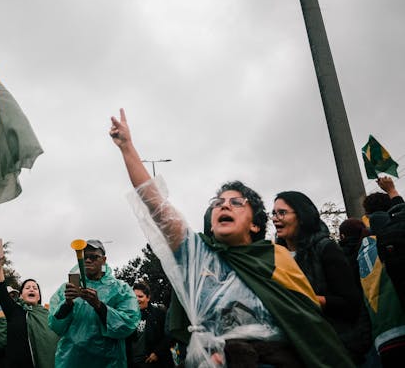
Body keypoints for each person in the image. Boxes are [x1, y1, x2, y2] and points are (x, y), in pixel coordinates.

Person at [109, 108, 353, 367]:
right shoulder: (196, 255)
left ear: (256, 225)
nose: (224, 206)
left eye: (236, 202)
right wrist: (127, 148)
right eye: (218, 203)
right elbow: (156, 204)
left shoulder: (277, 257)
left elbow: (306, 325)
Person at [272, 191, 370, 364]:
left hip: (335, 347)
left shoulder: (325, 248)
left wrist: (310, 300)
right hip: (297, 352)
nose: (275, 219)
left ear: (301, 216)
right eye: (273, 213)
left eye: (282, 213)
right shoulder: (275, 257)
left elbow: (351, 302)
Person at [48, 239, 139, 367]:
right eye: (84, 257)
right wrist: (67, 304)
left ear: (104, 260)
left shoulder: (120, 289)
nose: (88, 261)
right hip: (71, 360)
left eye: (94, 257)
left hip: (107, 362)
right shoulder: (67, 288)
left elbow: (128, 324)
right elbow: (54, 324)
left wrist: (98, 305)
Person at [358, 182, 405, 368]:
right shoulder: (394, 233)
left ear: (367, 214)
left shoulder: (362, 247)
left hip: (382, 337)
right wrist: (392, 191)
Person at [0, 251, 58, 368]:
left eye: (35, 288)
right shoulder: (14, 311)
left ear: (39, 296)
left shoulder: (48, 316)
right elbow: (1, 291)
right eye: (27, 288)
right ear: (21, 295)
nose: (31, 289)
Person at [126, 282, 172, 368]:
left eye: (140, 296)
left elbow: (169, 336)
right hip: (132, 364)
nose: (137, 299)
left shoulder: (159, 314)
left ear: (148, 298)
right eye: (134, 296)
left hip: (153, 363)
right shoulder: (127, 315)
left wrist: (157, 353)